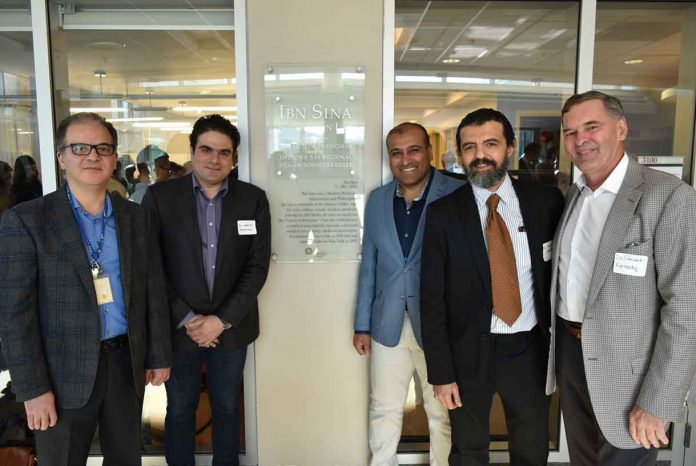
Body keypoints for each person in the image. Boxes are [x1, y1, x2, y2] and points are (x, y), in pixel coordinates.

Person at [0, 112, 172, 466]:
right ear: (62, 157)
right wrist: (32, 390)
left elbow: (152, 289)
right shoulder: (27, 220)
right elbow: (15, 315)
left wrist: (157, 354)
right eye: (79, 148)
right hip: (60, 374)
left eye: (102, 148)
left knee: (126, 458)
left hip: (126, 364)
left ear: (114, 158)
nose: (92, 156)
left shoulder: (136, 217)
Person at [547, 90, 696, 465]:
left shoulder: (668, 197)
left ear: (621, 128)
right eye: (570, 132)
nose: (580, 140)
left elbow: (687, 308)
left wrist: (657, 399)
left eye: (591, 127)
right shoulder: (575, 195)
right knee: (584, 459)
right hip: (572, 356)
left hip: (630, 374)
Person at [420, 108, 564, 465]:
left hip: (528, 349)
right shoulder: (443, 214)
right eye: (469, 147)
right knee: (468, 450)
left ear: (511, 148)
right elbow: (431, 299)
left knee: (531, 448)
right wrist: (440, 373)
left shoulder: (545, 204)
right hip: (468, 352)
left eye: (490, 144)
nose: (479, 155)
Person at [142, 114, 271, 466]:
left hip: (232, 329)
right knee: (181, 407)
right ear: (193, 151)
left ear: (234, 157)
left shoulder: (253, 200)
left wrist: (221, 321)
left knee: (228, 405)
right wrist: (189, 319)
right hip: (178, 328)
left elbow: (257, 267)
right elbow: (152, 267)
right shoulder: (159, 199)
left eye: (224, 152)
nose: (215, 159)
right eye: (207, 150)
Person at [354, 122, 462, 465]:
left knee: (440, 412)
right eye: (396, 153)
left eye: (414, 150)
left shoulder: (456, 193)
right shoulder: (378, 200)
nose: (406, 160)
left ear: (429, 152)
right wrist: (362, 324)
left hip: (439, 326)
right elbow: (369, 266)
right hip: (387, 325)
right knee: (383, 408)